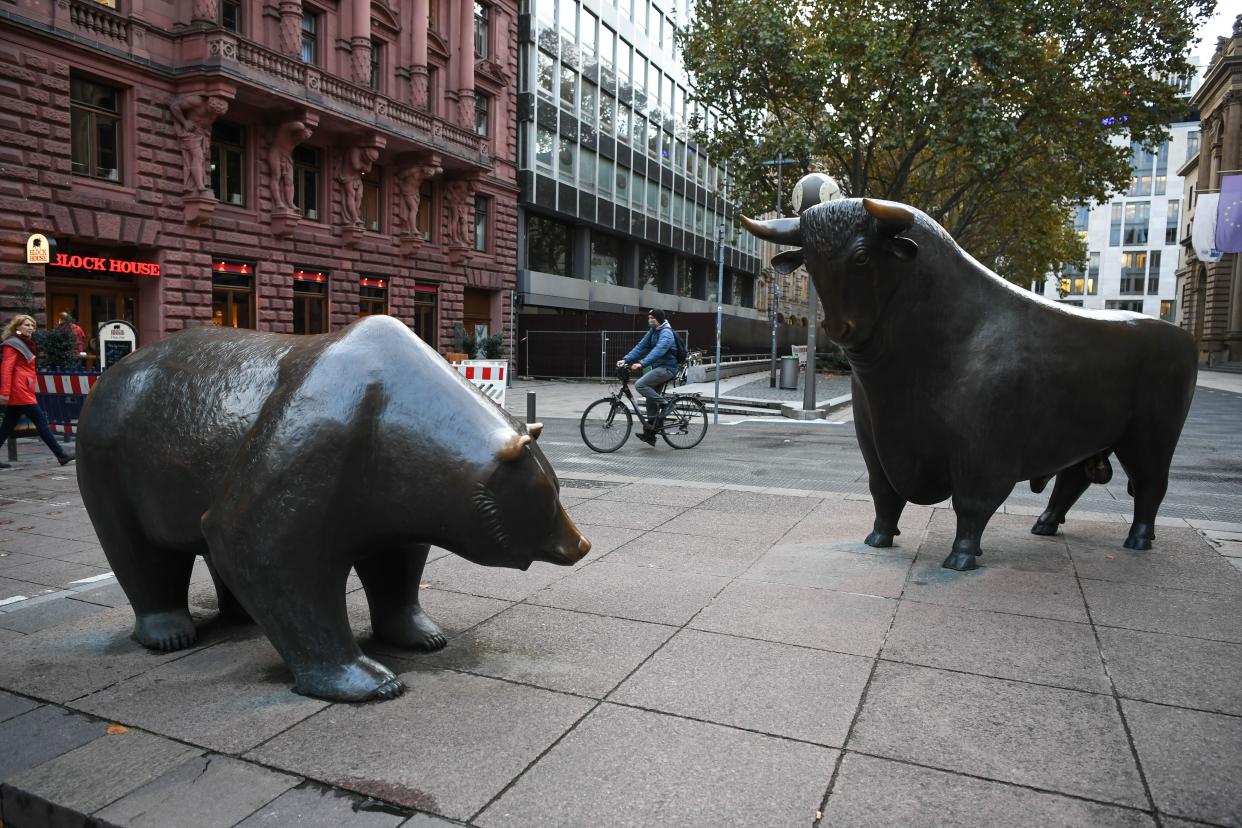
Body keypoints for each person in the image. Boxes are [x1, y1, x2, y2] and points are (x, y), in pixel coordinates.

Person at [0, 315, 74, 469]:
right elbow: (6, 369)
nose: (31, 328)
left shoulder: (23, 343)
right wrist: (5, 392)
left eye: (32, 325)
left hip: (22, 388)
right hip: (19, 390)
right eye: (27, 325)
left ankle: (61, 455)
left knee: (7, 426)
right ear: (17, 327)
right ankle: (61, 454)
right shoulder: (12, 344)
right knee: (41, 423)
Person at [617, 309, 677, 445]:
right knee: (651, 400)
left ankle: (667, 405)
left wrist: (642, 364)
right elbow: (641, 347)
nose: (650, 320)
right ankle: (650, 434)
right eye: (648, 317)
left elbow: (658, 351)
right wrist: (626, 359)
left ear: (659, 319)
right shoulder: (653, 331)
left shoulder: (666, 333)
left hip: (667, 368)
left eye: (652, 317)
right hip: (658, 368)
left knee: (640, 385)